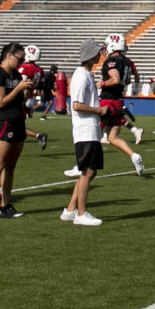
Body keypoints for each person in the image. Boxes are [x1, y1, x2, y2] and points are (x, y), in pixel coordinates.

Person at [62, 40, 108, 226]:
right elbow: (77, 105)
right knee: (88, 171)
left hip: (90, 129)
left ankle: (71, 210)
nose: (99, 55)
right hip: (85, 130)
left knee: (89, 171)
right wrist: (99, 111)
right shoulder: (81, 76)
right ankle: (81, 213)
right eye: (96, 52)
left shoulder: (85, 74)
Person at [0, 43, 34, 219]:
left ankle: (6, 204)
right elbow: (0, 101)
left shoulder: (16, 74)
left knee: (11, 166)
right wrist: (18, 88)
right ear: (9, 55)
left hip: (18, 121)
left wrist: (26, 88)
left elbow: (20, 99)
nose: (21, 62)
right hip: (4, 122)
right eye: (19, 58)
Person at [98, 33, 146, 176]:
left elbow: (115, 79)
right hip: (118, 101)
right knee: (112, 137)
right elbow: (128, 80)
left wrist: (100, 83)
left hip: (107, 101)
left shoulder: (111, 62)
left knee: (91, 132)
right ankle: (133, 155)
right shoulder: (126, 61)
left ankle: (82, 165)